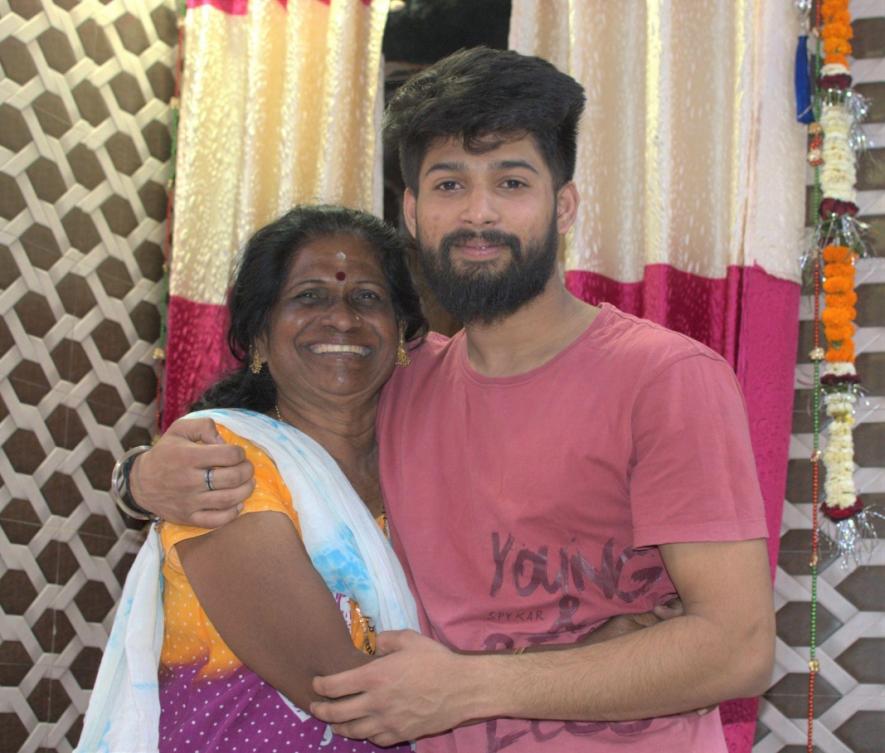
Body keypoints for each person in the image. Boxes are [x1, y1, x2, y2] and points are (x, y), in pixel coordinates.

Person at [121, 48, 775, 753]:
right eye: (447, 184)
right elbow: (276, 439)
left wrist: (470, 686)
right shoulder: (396, 382)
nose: (478, 212)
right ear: (410, 209)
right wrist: (137, 479)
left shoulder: (665, 378)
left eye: (512, 181)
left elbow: (737, 647)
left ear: (564, 205)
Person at [79, 205, 426, 753]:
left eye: (367, 297)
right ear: (259, 338)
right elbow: (339, 688)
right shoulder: (225, 460)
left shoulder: (424, 474)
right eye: (308, 296)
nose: (341, 318)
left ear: (402, 333)